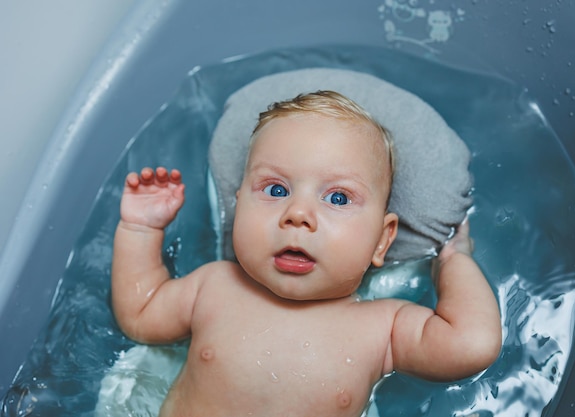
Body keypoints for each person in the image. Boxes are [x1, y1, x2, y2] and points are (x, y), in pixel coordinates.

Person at [111, 90, 502, 417]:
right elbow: (140, 315)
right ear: (239, 206)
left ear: (382, 241)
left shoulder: (383, 329)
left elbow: (470, 345)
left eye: (337, 197)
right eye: (276, 190)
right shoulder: (214, 287)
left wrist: (453, 260)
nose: (297, 214)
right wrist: (141, 230)